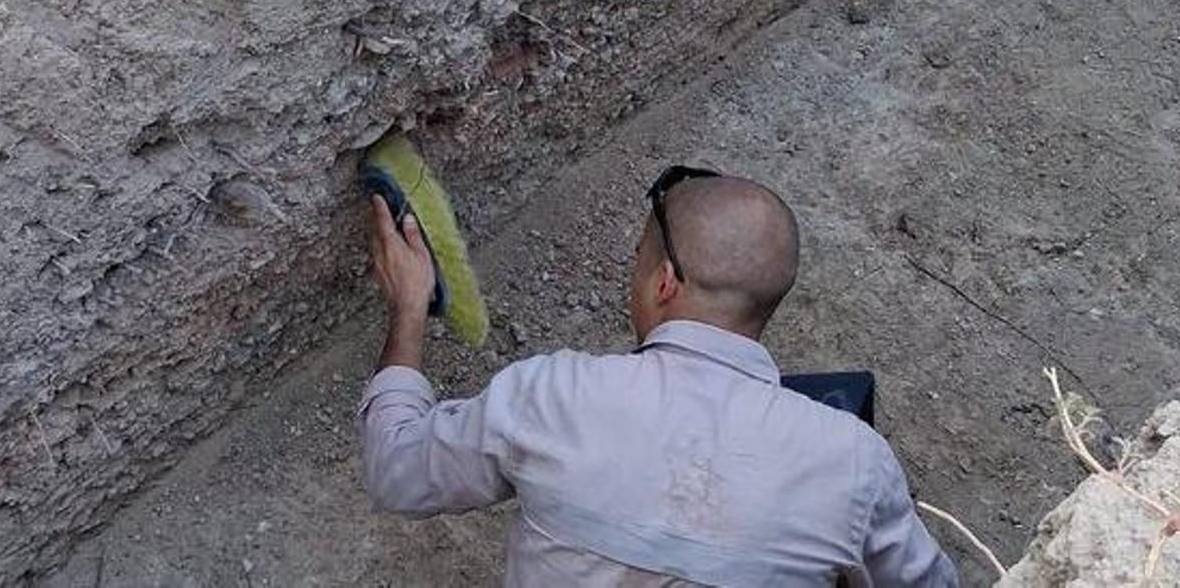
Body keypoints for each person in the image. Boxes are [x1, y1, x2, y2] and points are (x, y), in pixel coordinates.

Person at [359, 167, 959, 587]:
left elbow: (398, 472)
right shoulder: (852, 462)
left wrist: (409, 308)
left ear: (665, 282)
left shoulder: (551, 395)